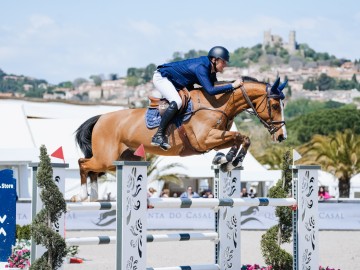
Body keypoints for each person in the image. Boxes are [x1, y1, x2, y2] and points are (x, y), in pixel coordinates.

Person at [151, 46, 244, 150]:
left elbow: (216, 86)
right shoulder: (202, 68)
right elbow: (211, 90)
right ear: (214, 60)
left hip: (179, 81)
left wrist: (233, 86)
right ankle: (158, 135)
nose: (225, 65)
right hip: (163, 77)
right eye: (223, 61)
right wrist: (232, 85)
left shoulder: (211, 70)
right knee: (177, 101)